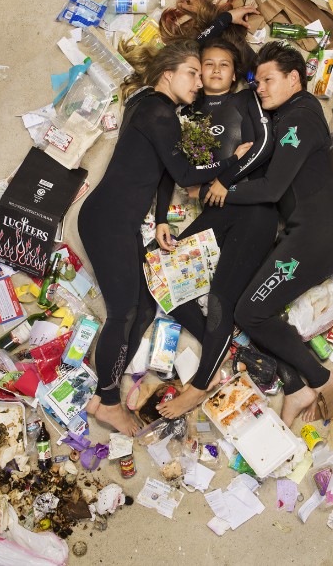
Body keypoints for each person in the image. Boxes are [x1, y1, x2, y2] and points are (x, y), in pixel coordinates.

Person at [77, 39, 251, 436]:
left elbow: (164, 172)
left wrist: (159, 220)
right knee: (124, 313)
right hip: (107, 222)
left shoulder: (149, 106)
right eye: (192, 73)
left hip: (116, 221)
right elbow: (188, 174)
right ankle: (107, 402)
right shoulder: (159, 113)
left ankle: (106, 388)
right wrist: (232, 160)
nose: (199, 82)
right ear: (167, 74)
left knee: (141, 309)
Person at [208, 41, 333, 427]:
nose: (260, 88)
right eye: (256, 82)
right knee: (252, 306)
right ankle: (297, 387)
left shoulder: (299, 117)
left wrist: (225, 190)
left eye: (268, 80)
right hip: (310, 235)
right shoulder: (291, 118)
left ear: (295, 79)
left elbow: (273, 189)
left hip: (319, 237)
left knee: (250, 312)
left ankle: (323, 379)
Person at [151, 39, 280, 419]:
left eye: (225, 64)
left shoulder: (246, 100)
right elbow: (166, 169)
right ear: (196, 70)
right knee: (156, 267)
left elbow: (265, 145)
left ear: (235, 72)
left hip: (254, 207)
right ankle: (220, 341)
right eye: (209, 64)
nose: (217, 70)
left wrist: (225, 177)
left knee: (223, 293)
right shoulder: (182, 110)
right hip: (218, 210)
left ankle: (201, 382)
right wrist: (161, 217)